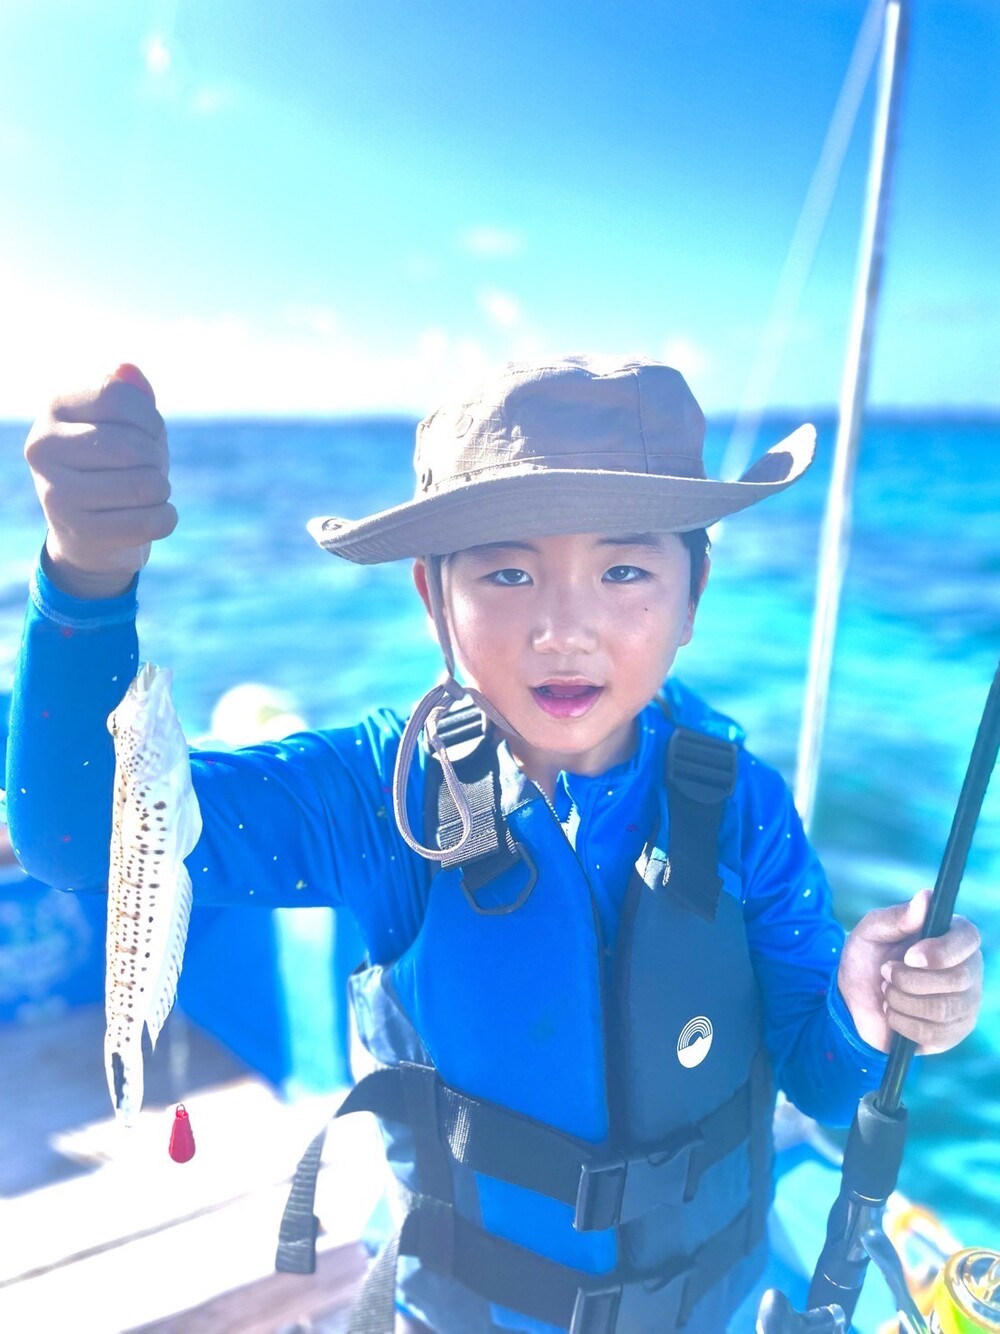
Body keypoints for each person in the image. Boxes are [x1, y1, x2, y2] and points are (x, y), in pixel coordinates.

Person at [5, 357, 983, 1334]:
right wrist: (87, 579)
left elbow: (815, 1074)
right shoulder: (374, 796)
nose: (564, 627)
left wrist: (865, 1009)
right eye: (507, 571)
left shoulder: (744, 807)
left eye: (625, 569)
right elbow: (76, 835)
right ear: (434, 598)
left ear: (693, 594)